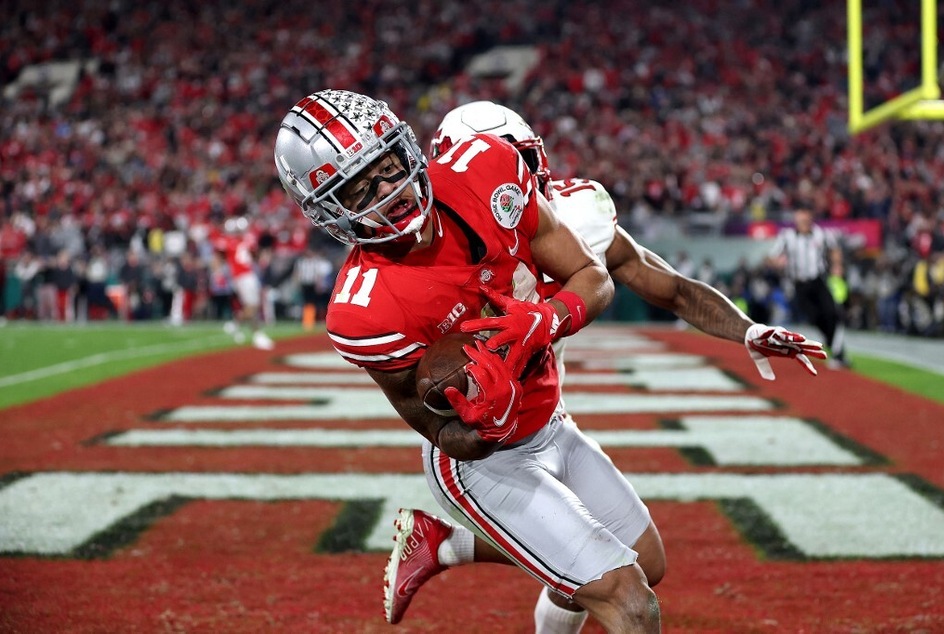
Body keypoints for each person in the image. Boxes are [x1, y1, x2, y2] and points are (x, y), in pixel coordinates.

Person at [274, 90, 823, 633]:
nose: (389, 190)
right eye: (361, 187)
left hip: (551, 417)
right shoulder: (365, 308)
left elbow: (647, 284)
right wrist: (483, 421)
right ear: (331, 211)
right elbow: (431, 425)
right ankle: (473, 544)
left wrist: (746, 330)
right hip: (485, 460)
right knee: (627, 598)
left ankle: (451, 545)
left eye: (388, 167)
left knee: (647, 565)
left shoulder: (514, 188)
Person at [767, 207, 849, 367]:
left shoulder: (821, 234)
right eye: (800, 221)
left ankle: (839, 353)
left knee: (831, 314)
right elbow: (771, 257)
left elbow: (834, 250)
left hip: (818, 281)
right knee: (815, 318)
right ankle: (835, 348)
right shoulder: (787, 237)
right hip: (799, 285)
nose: (804, 224)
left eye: (806, 220)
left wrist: (837, 265)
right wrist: (777, 263)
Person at [213, 217, 275, 350]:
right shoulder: (228, 242)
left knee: (252, 305)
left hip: (247, 275)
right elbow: (218, 257)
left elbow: (254, 254)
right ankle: (255, 334)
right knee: (253, 306)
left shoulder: (244, 240)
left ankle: (236, 325)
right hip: (242, 276)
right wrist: (218, 274)